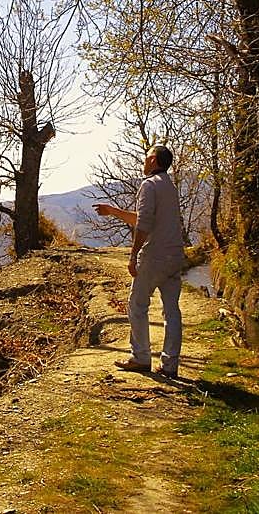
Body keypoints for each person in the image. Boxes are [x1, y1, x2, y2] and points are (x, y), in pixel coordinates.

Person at [93, 145, 186, 378]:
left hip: (155, 256)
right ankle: (170, 365)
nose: (144, 162)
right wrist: (112, 211)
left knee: (137, 305)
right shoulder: (170, 187)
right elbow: (145, 218)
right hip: (175, 255)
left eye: (146, 158)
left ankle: (141, 357)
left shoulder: (149, 185)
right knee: (171, 311)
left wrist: (133, 254)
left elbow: (143, 225)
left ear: (153, 160)